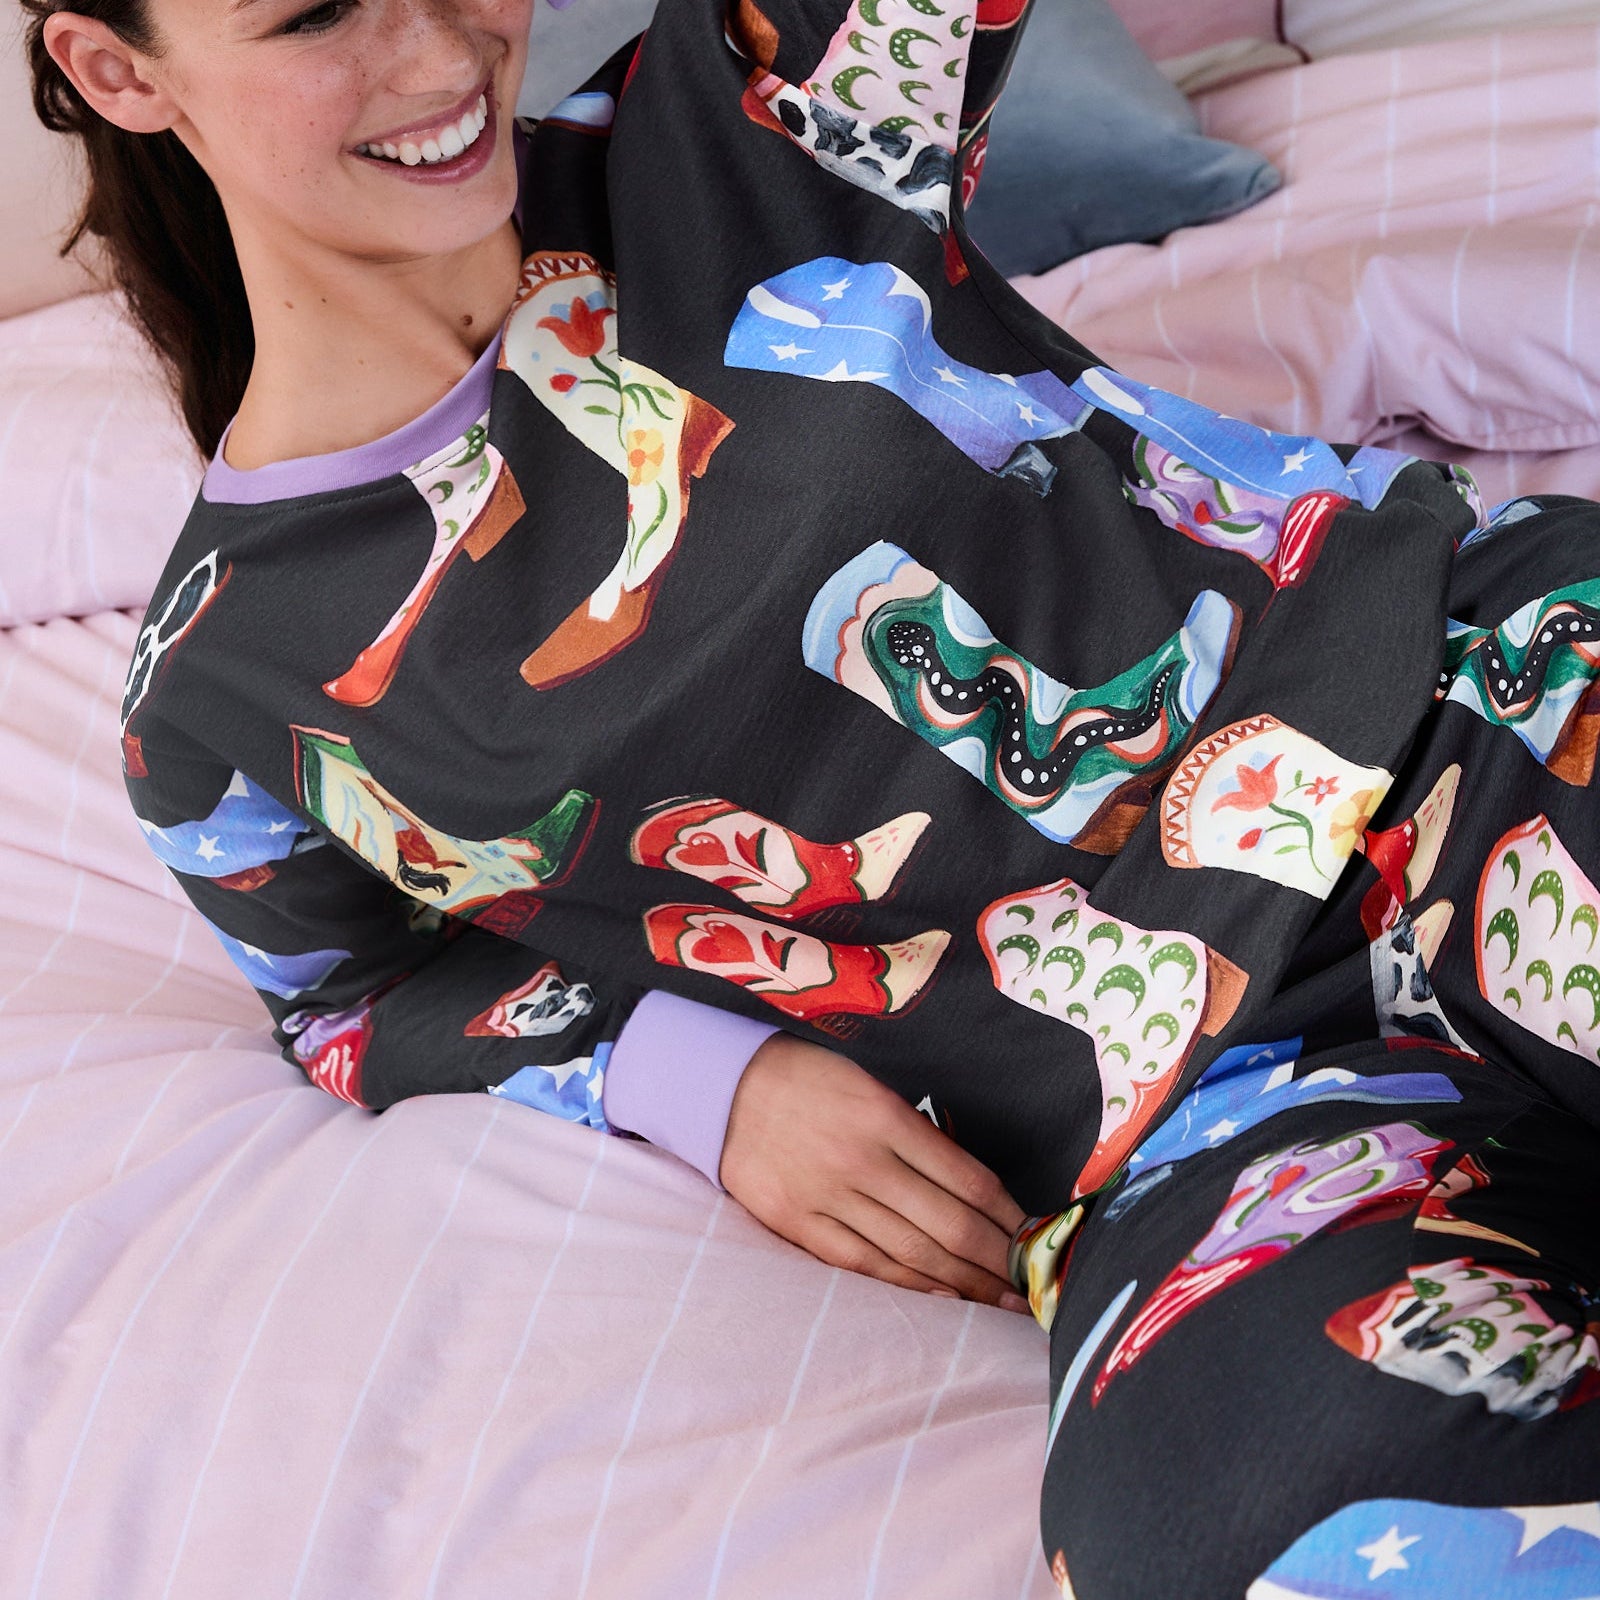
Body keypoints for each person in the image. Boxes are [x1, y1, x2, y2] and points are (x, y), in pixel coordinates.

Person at [27, 0, 1600, 1591]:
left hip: (1476, 726)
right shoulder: (221, 692)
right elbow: (350, 997)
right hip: (1195, 1122)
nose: (441, 56)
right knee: (1271, 1536)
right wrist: (698, 1079)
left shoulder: (737, 109)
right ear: (117, 69)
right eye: (314, 12)